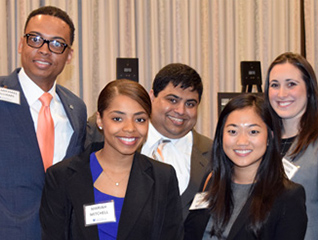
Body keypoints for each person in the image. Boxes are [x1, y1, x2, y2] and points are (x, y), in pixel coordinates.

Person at [40, 79, 183, 240]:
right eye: (117, 119)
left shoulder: (163, 177)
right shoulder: (61, 176)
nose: (130, 128)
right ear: (100, 120)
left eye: (140, 119)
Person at [0, 6, 87, 240]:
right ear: (21, 44)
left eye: (57, 43)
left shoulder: (77, 109)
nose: (44, 50)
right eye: (35, 39)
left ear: (69, 55)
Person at [85, 63, 213, 220]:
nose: (180, 111)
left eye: (190, 104)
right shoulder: (105, 132)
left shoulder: (214, 153)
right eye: (172, 100)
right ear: (152, 96)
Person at [184, 94, 307, 240]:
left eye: (253, 132)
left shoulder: (288, 196)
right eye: (232, 131)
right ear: (221, 136)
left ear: (270, 137)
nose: (242, 141)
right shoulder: (211, 181)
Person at [264, 52, 318, 240]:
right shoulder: (261, 142)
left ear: (309, 89)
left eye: (291, 84)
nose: (281, 94)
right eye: (275, 85)